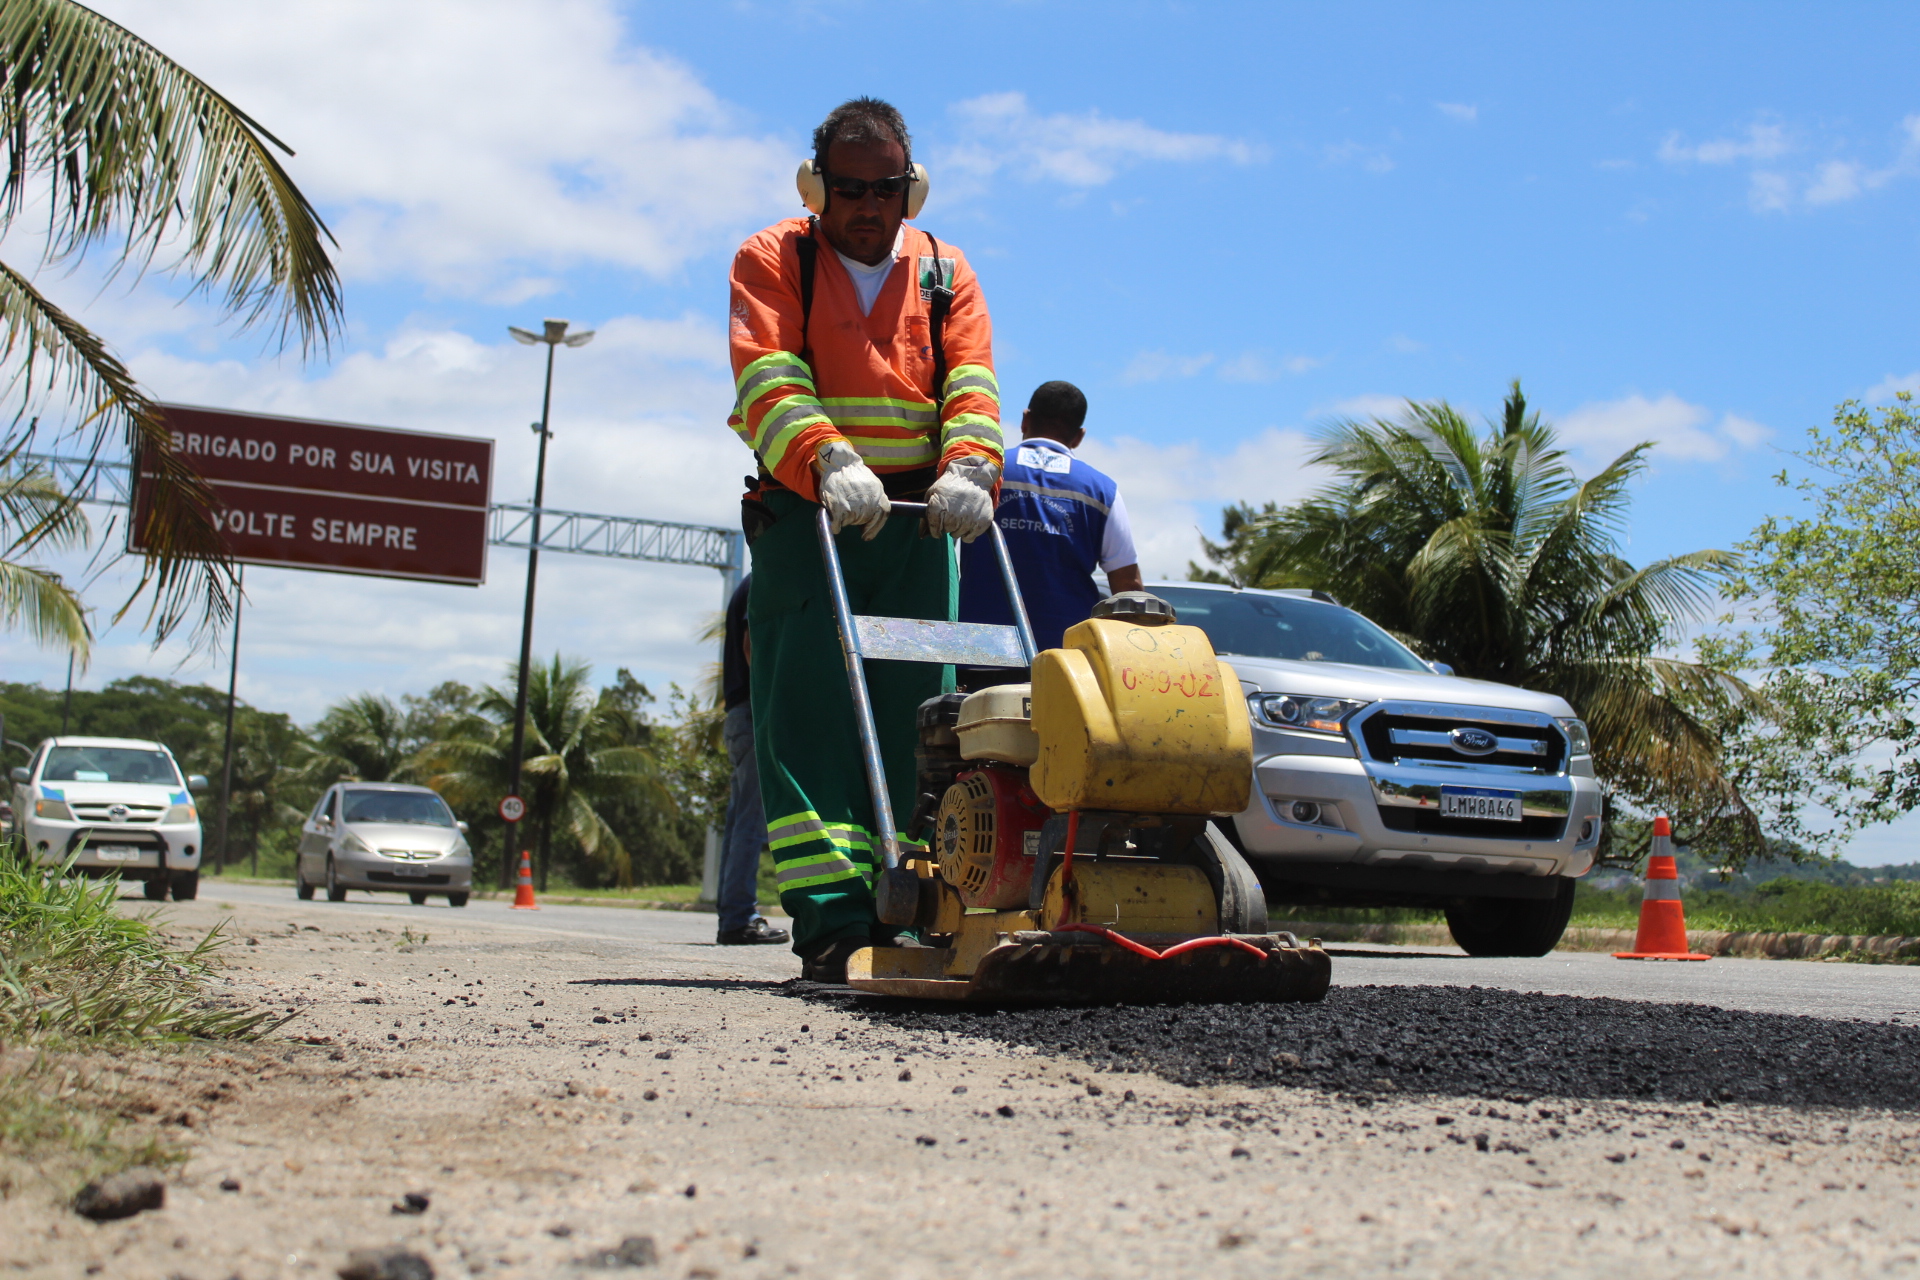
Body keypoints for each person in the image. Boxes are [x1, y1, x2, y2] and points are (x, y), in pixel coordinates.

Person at [726, 97, 1002, 981]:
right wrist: (828, 459)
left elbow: (973, 382)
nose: (868, 207)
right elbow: (766, 378)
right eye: (849, 190)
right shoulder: (776, 259)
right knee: (806, 723)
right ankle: (835, 921)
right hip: (809, 524)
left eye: (885, 189)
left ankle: (921, 902)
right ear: (818, 187)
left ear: (910, 190)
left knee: (921, 723)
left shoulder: (945, 273)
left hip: (923, 527)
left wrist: (968, 468)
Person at [959, 380, 1142, 653]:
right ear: (1079, 436)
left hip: (979, 648)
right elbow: (1128, 586)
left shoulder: (984, 473)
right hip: (1067, 658)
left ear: (1025, 420)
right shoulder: (1103, 491)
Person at [714, 572, 789, 946]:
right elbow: (751, 644)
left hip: (738, 714)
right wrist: (769, 703)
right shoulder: (762, 578)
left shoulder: (747, 582)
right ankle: (739, 917)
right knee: (750, 821)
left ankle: (732, 912)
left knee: (739, 818)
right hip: (753, 710)